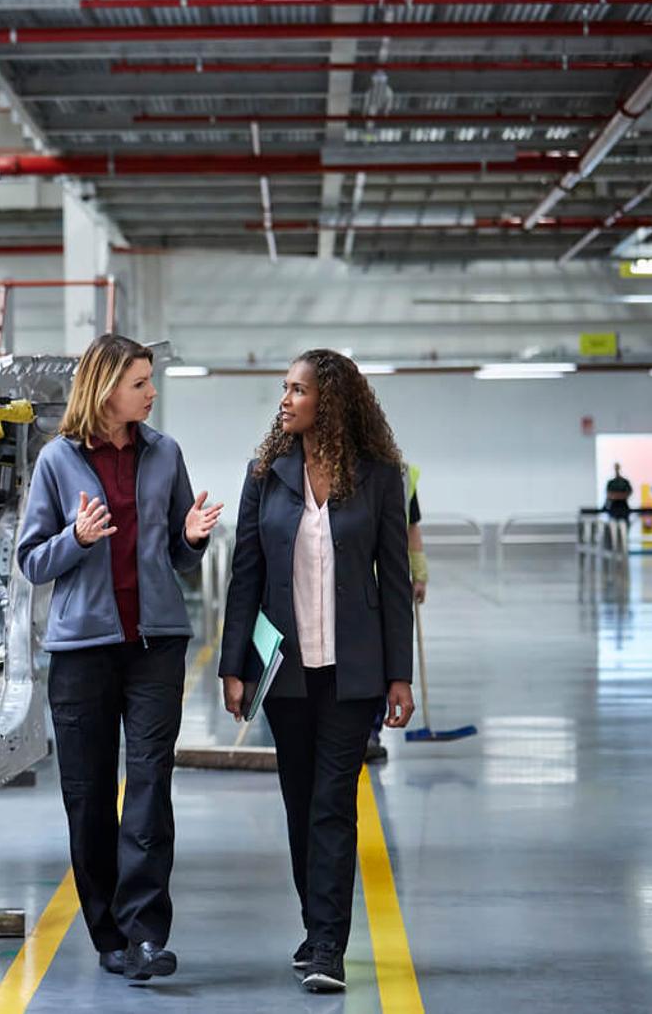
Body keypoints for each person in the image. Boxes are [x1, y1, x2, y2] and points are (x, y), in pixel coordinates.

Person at [16, 334, 223, 982]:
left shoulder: (166, 454)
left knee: (151, 785)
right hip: (83, 651)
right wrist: (76, 539)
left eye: (150, 380)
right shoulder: (57, 460)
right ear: (106, 390)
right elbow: (31, 560)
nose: (151, 392)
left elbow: (179, 556)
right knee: (89, 795)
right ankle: (108, 933)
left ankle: (146, 933)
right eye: (140, 382)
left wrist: (191, 538)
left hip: (156, 644)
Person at [217, 349, 415, 993]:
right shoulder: (265, 475)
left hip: (353, 673)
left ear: (330, 401)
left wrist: (400, 675)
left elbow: (394, 581)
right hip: (286, 672)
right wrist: (234, 667)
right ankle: (315, 927)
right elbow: (246, 574)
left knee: (333, 804)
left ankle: (328, 943)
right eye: (285, 389)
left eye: (298, 390)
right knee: (300, 804)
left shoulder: (380, 477)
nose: (285, 400)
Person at [365, 466, 427, 764]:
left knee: (381, 658)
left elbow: (411, 528)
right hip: (357, 579)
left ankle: (371, 731)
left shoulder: (403, 474)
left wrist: (420, 573)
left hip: (389, 580)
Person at [604, 464, 633, 556]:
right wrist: (618, 496)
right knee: (613, 531)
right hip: (614, 509)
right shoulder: (611, 483)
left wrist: (616, 496)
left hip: (623, 509)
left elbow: (627, 493)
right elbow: (609, 495)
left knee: (624, 531)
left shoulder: (625, 482)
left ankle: (623, 550)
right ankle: (614, 550)